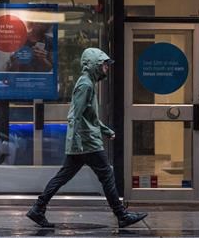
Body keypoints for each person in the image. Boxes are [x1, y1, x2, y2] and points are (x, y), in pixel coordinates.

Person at [26, 48, 147, 229]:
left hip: (83, 141)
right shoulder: (85, 85)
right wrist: (76, 140)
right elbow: (75, 114)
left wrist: (105, 130)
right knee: (106, 175)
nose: (107, 67)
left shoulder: (88, 83)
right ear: (94, 65)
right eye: (104, 64)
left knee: (63, 176)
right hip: (87, 142)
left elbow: (90, 117)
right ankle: (121, 215)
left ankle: (38, 208)